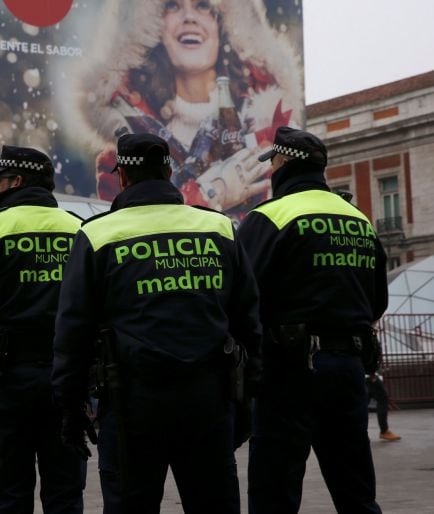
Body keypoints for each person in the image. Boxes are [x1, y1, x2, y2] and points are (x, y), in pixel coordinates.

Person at [52, 133, 262, 513]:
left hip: (131, 404)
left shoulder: (97, 234)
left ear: (123, 177)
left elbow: (73, 329)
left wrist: (69, 404)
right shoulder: (218, 228)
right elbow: (248, 318)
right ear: (168, 171)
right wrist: (248, 397)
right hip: (208, 402)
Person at [237, 126, 389, 513]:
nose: (270, 168)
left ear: (284, 162)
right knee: (355, 488)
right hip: (348, 367)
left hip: (287, 371)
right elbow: (377, 301)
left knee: (274, 490)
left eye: (272, 161)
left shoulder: (269, 217)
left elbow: (241, 298)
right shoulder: (358, 220)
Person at [0, 145, 87, 513]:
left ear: (18, 181)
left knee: (11, 491)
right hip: (67, 376)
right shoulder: (79, 228)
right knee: (66, 489)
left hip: (8, 378)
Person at [70, 0, 301, 219]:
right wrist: (209, 194)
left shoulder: (271, 133)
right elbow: (135, 236)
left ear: (223, 24)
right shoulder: (124, 154)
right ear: (150, 27)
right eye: (172, 5)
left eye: (203, 5)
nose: (189, 17)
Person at [367, 371, 401, 442]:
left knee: (362, 404)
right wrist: (372, 374)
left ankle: (359, 433)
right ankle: (384, 431)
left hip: (363, 375)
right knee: (383, 400)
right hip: (369, 375)